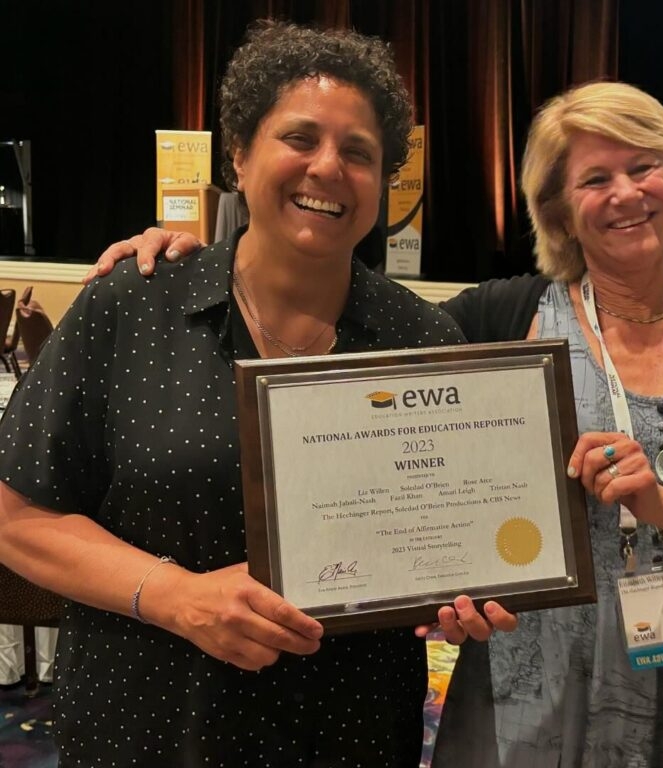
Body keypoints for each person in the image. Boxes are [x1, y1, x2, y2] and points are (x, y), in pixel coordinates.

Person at [94, 81, 663, 766]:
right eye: (594, 178)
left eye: (645, 167)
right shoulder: (499, 317)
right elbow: (359, 348)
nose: (626, 194)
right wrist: (212, 258)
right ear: (558, 209)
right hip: (535, 678)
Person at [0, 21, 506, 767]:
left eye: (359, 152)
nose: (328, 167)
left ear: (385, 180)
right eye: (300, 138)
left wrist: (470, 589)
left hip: (348, 733)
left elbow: (455, 537)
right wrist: (179, 597)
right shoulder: (132, 305)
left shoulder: (424, 339)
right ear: (239, 154)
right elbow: (17, 517)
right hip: (148, 725)